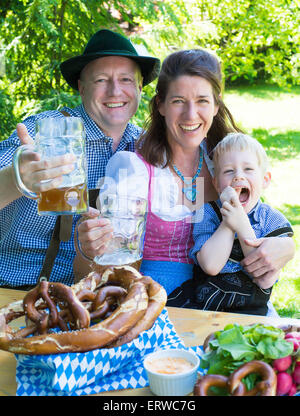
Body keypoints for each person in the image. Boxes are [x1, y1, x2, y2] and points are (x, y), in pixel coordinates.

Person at [74, 49, 295, 298]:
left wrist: (285, 245)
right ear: (161, 105)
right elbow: (103, 271)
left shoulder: (225, 161)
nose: (191, 115)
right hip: (155, 305)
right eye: (178, 101)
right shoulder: (135, 170)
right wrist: (89, 249)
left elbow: (260, 218)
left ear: (216, 105)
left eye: (202, 100)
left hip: (229, 306)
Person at [0, 29, 160, 288]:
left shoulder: (146, 146)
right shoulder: (46, 131)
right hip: (15, 290)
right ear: (81, 88)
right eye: (100, 80)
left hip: (96, 294)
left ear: (140, 88)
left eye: (126, 79)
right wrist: (16, 178)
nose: (115, 91)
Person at [183, 133, 293, 316]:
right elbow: (210, 266)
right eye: (228, 171)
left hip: (251, 310)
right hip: (204, 307)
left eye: (248, 169)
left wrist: (241, 223)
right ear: (217, 184)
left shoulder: (271, 220)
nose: (238, 176)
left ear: (265, 180)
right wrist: (228, 223)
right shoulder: (208, 213)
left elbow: (263, 278)